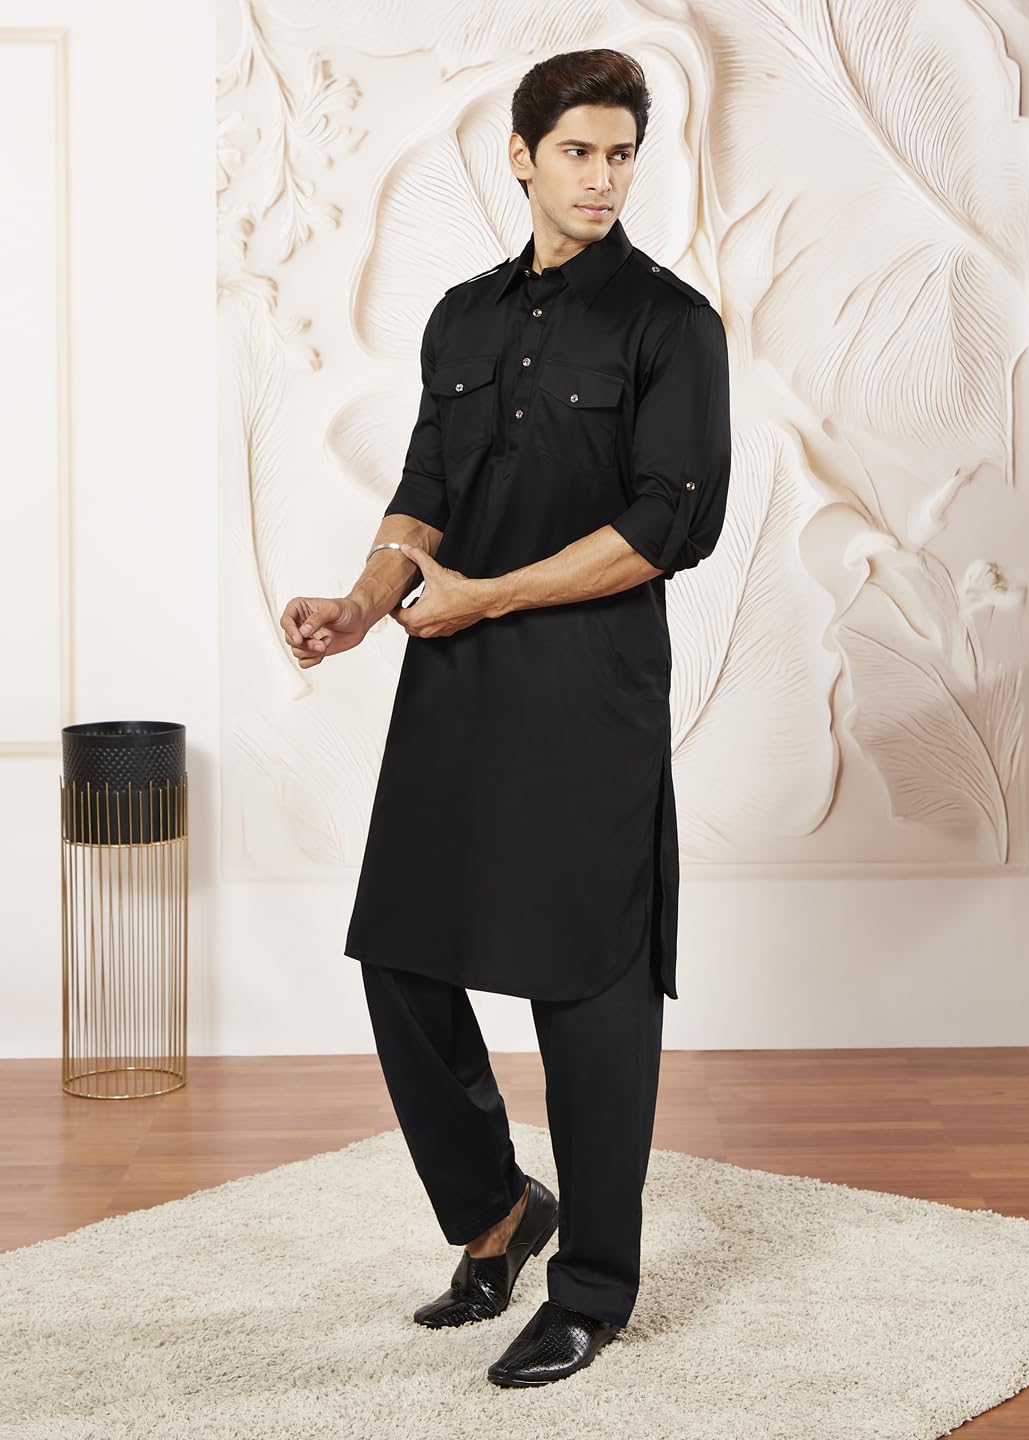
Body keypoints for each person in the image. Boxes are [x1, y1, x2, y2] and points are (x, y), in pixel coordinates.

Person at [280, 47, 731, 1388]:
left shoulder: (671, 323)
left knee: (588, 984)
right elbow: (426, 488)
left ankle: (592, 1287)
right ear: (523, 156)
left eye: (622, 153)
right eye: (579, 151)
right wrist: (364, 602)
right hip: (454, 679)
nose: (604, 177)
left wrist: (495, 597)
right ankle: (494, 1211)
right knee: (402, 949)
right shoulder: (462, 318)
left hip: (590, 690)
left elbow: (670, 524)